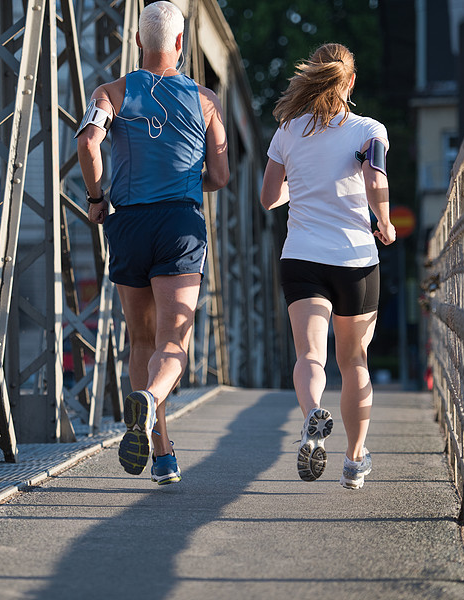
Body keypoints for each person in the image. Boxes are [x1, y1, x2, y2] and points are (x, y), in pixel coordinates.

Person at [76, 1, 229, 485]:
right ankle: (149, 400)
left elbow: (87, 143)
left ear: (139, 42)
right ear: (181, 44)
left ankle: (163, 456)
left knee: (140, 340)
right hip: (179, 226)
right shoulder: (206, 100)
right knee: (173, 342)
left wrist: (96, 197)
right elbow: (221, 176)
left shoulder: (110, 93)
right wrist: (183, 179)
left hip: (128, 225)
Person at [259, 43, 395, 490]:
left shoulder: (287, 132)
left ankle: (312, 414)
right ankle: (355, 462)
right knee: (354, 360)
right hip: (355, 259)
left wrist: (300, 187)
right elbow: (375, 180)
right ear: (350, 81)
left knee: (310, 355)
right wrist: (386, 223)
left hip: (301, 257)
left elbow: (268, 198)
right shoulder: (368, 129)